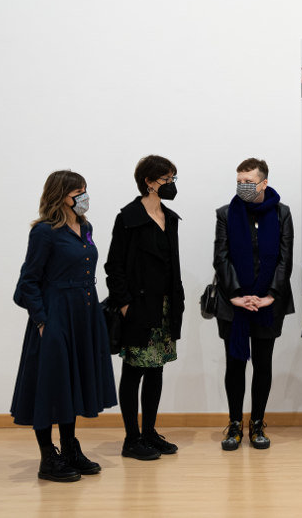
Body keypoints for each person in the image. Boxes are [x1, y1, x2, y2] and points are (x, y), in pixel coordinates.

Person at [12, 170, 117, 482]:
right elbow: (28, 282)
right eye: (78, 193)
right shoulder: (44, 232)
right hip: (56, 315)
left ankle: (70, 449)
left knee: (72, 382)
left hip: (84, 314)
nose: (84, 198)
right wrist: (43, 322)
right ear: (61, 196)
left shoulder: (85, 226)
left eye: (85, 191)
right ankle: (48, 458)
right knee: (50, 384)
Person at [105, 155, 185, 461]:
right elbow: (114, 267)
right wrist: (124, 305)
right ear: (149, 182)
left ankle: (149, 432)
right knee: (134, 370)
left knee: (156, 370)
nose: (172, 185)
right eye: (167, 180)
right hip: (138, 305)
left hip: (165, 306)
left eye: (173, 179)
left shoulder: (171, 218)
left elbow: (172, 267)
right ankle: (131, 438)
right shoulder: (128, 218)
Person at [214, 158, 295, 451]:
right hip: (232, 303)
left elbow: (285, 259)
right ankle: (235, 423)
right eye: (239, 181)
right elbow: (221, 257)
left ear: (263, 183)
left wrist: (271, 295)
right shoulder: (226, 214)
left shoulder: (282, 214)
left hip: (268, 303)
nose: (243, 186)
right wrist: (236, 294)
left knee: (263, 365)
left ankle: (257, 423)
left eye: (249, 181)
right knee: (235, 364)